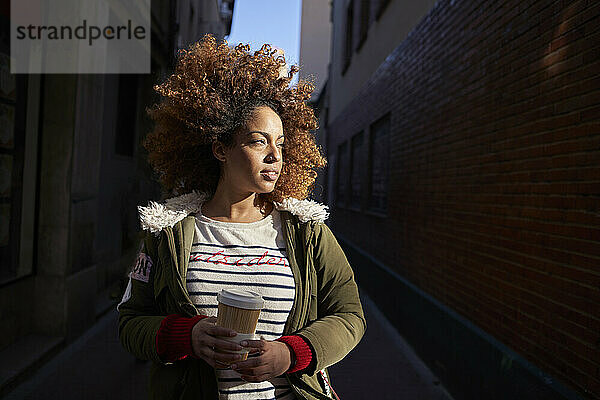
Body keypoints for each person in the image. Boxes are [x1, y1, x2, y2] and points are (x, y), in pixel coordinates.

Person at [117, 34, 366, 400]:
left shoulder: (305, 231)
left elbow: (350, 315)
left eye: (280, 143)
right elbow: (130, 321)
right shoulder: (167, 232)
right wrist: (187, 335)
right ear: (220, 148)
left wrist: (291, 353)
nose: (274, 156)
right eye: (258, 141)